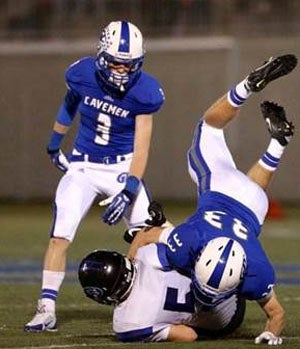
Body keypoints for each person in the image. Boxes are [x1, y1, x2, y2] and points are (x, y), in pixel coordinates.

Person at [127, 54, 297, 345]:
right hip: (233, 193)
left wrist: (132, 267)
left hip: (254, 204)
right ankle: (271, 130)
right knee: (210, 130)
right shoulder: (255, 271)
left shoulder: (192, 242)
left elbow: (148, 235)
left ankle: (267, 124)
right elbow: (276, 315)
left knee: (210, 128)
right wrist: (271, 334)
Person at [24, 20, 165, 332]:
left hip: (122, 166)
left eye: (129, 66)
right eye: (116, 63)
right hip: (84, 166)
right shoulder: (81, 73)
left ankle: (157, 300)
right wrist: (54, 142)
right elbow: (70, 103)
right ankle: (46, 308)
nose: (121, 72)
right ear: (102, 56)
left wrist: (129, 188)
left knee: (151, 235)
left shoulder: (145, 92)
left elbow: (142, 149)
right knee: (60, 235)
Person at [78, 244, 246, 342]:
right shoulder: (147, 255)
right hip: (230, 280)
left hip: (226, 320)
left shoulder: (126, 325)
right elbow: (185, 253)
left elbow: (188, 335)